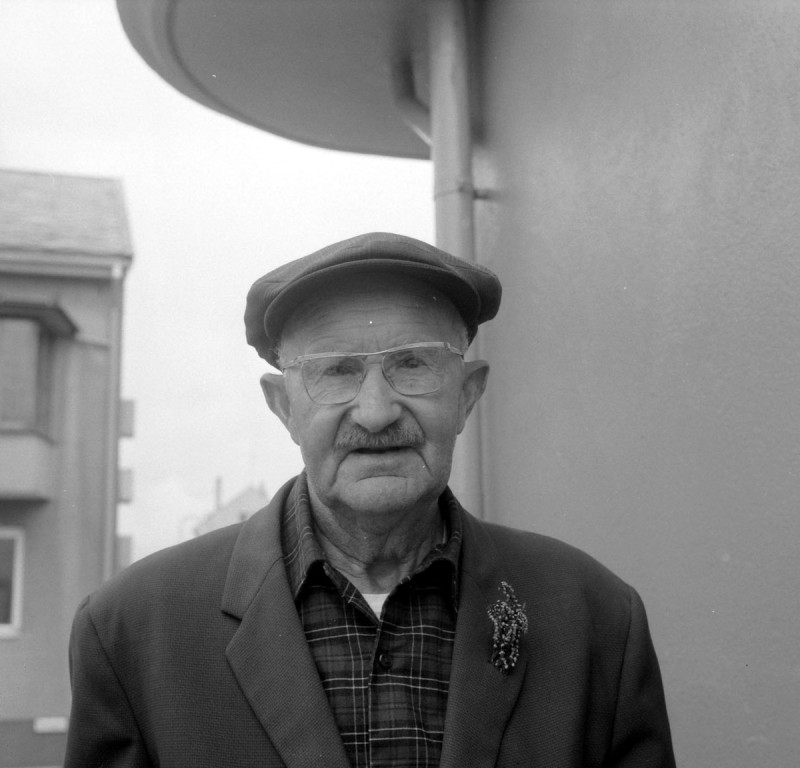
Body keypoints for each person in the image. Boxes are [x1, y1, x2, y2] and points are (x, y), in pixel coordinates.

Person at [65, 232, 675, 768]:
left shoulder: (594, 619)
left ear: (466, 394)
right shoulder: (135, 632)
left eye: (414, 364)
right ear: (283, 406)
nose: (377, 411)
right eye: (336, 371)